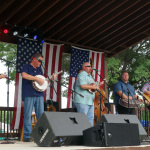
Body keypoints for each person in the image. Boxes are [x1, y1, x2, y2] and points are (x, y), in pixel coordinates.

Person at [22, 53, 57, 142]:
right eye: (39, 61)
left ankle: (40, 135)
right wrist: (37, 79)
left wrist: (51, 79)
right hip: (29, 94)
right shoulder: (26, 66)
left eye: (41, 61)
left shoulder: (40, 69)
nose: (40, 63)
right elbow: (24, 75)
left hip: (39, 95)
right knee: (27, 115)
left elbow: (44, 83)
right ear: (33, 59)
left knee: (40, 116)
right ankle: (27, 136)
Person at [74, 62, 101, 126]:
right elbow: (82, 86)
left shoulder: (90, 76)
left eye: (90, 66)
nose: (90, 68)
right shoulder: (82, 74)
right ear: (84, 67)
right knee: (82, 119)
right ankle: (82, 135)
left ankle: (90, 135)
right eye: (88, 66)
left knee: (90, 118)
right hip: (82, 100)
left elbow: (92, 87)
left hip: (90, 101)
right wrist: (93, 87)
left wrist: (96, 86)